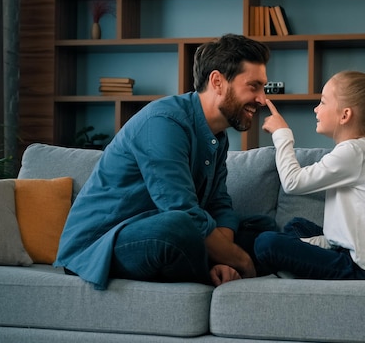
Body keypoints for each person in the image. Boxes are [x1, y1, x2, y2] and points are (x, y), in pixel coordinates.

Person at [54, 34, 274, 290]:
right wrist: (241, 260)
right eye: (253, 86)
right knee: (177, 228)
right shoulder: (164, 122)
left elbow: (219, 203)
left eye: (263, 88)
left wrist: (223, 253)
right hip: (102, 244)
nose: (262, 99)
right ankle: (217, 271)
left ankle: (213, 269)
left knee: (262, 229)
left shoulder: (218, 136)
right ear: (218, 82)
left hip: (171, 228)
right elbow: (181, 210)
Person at [254, 70, 365, 281]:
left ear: (345, 115)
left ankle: (285, 267)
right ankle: (291, 267)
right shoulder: (364, 150)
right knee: (297, 226)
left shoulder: (354, 152)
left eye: (322, 102)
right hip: (358, 256)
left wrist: (281, 133)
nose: (316, 109)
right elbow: (341, 233)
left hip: (364, 270)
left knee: (266, 243)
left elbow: (292, 182)